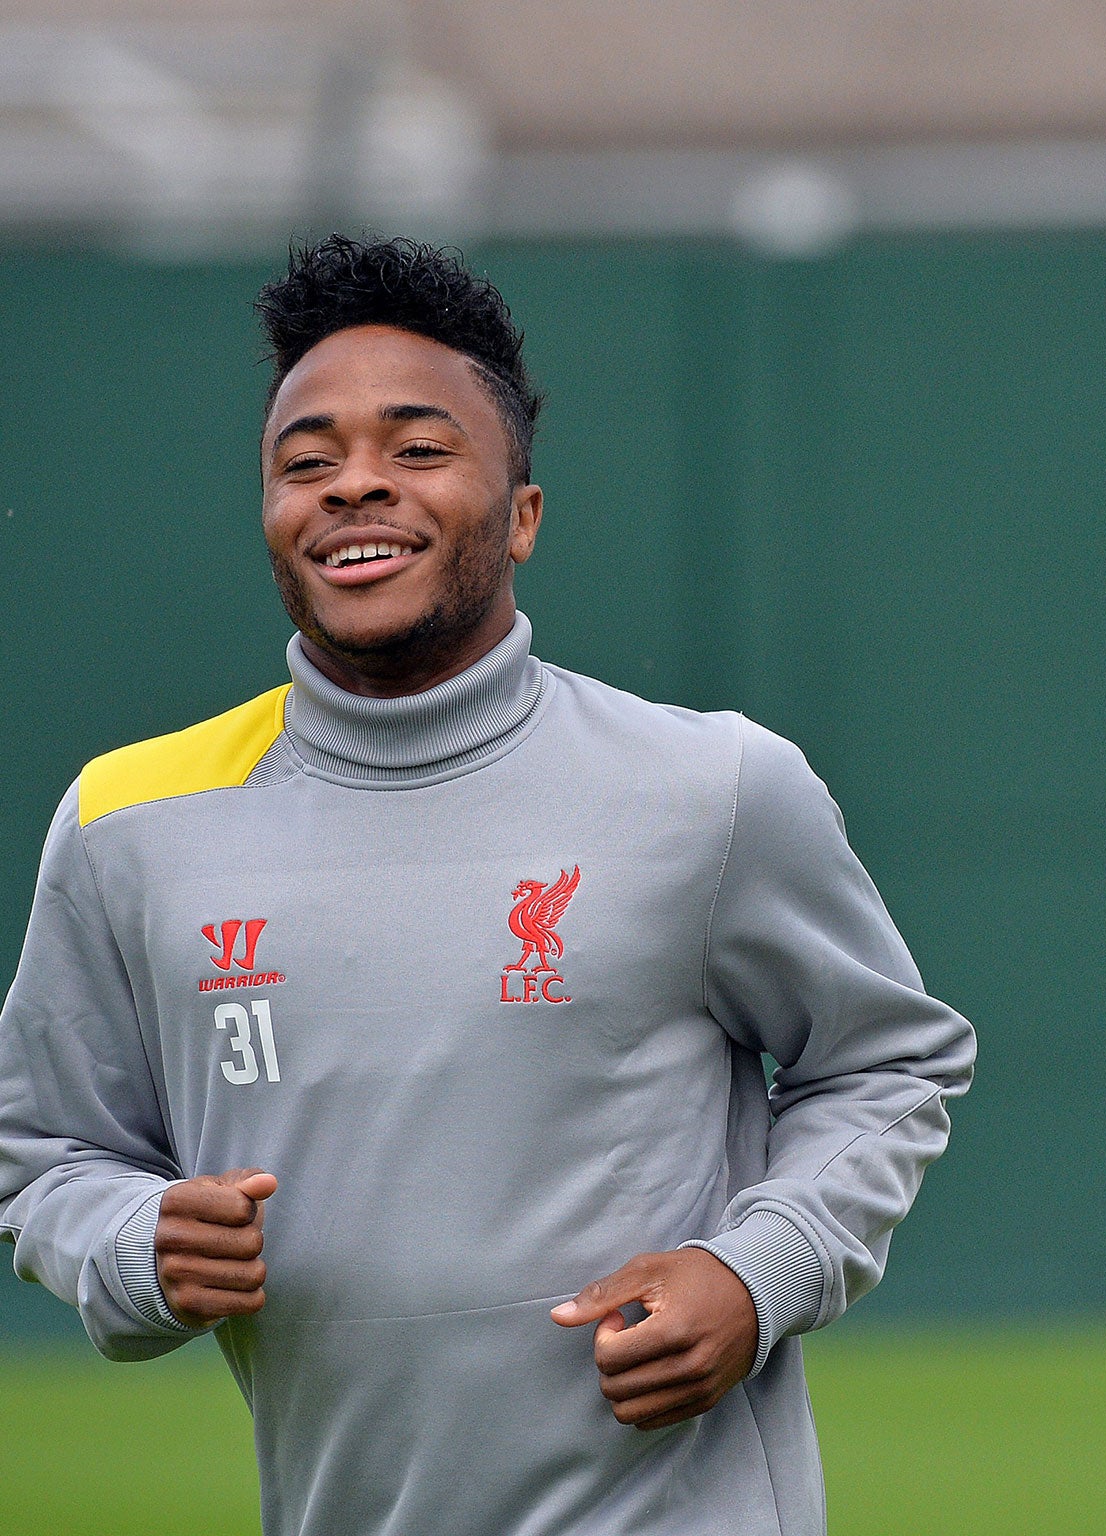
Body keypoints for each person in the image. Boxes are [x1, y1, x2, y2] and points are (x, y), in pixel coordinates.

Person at [0, 235, 974, 1536]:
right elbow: (47, 1155)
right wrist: (137, 1245)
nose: (355, 487)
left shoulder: (713, 789)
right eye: (307, 461)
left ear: (520, 513)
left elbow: (886, 1068)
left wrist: (754, 1274)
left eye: (416, 449)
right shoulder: (131, 822)